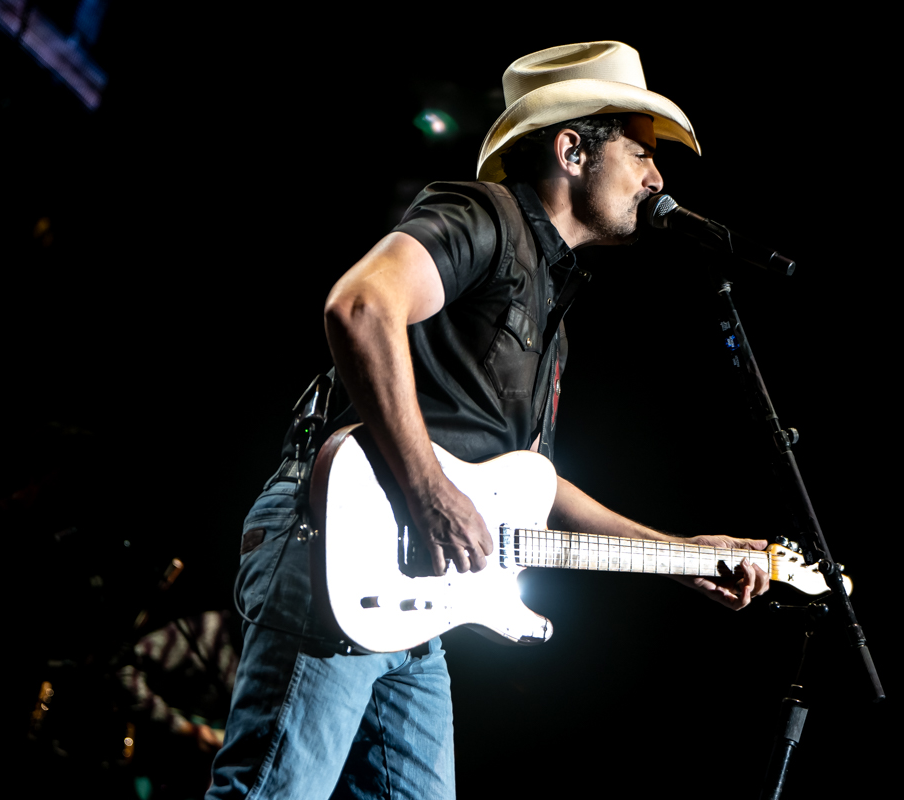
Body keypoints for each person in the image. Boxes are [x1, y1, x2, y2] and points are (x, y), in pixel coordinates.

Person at [207, 41, 771, 800]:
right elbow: (361, 305)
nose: (656, 178)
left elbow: (530, 487)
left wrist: (679, 553)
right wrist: (430, 490)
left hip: (415, 590)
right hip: (338, 538)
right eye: (641, 152)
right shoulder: (483, 215)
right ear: (572, 150)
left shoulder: (553, 312)